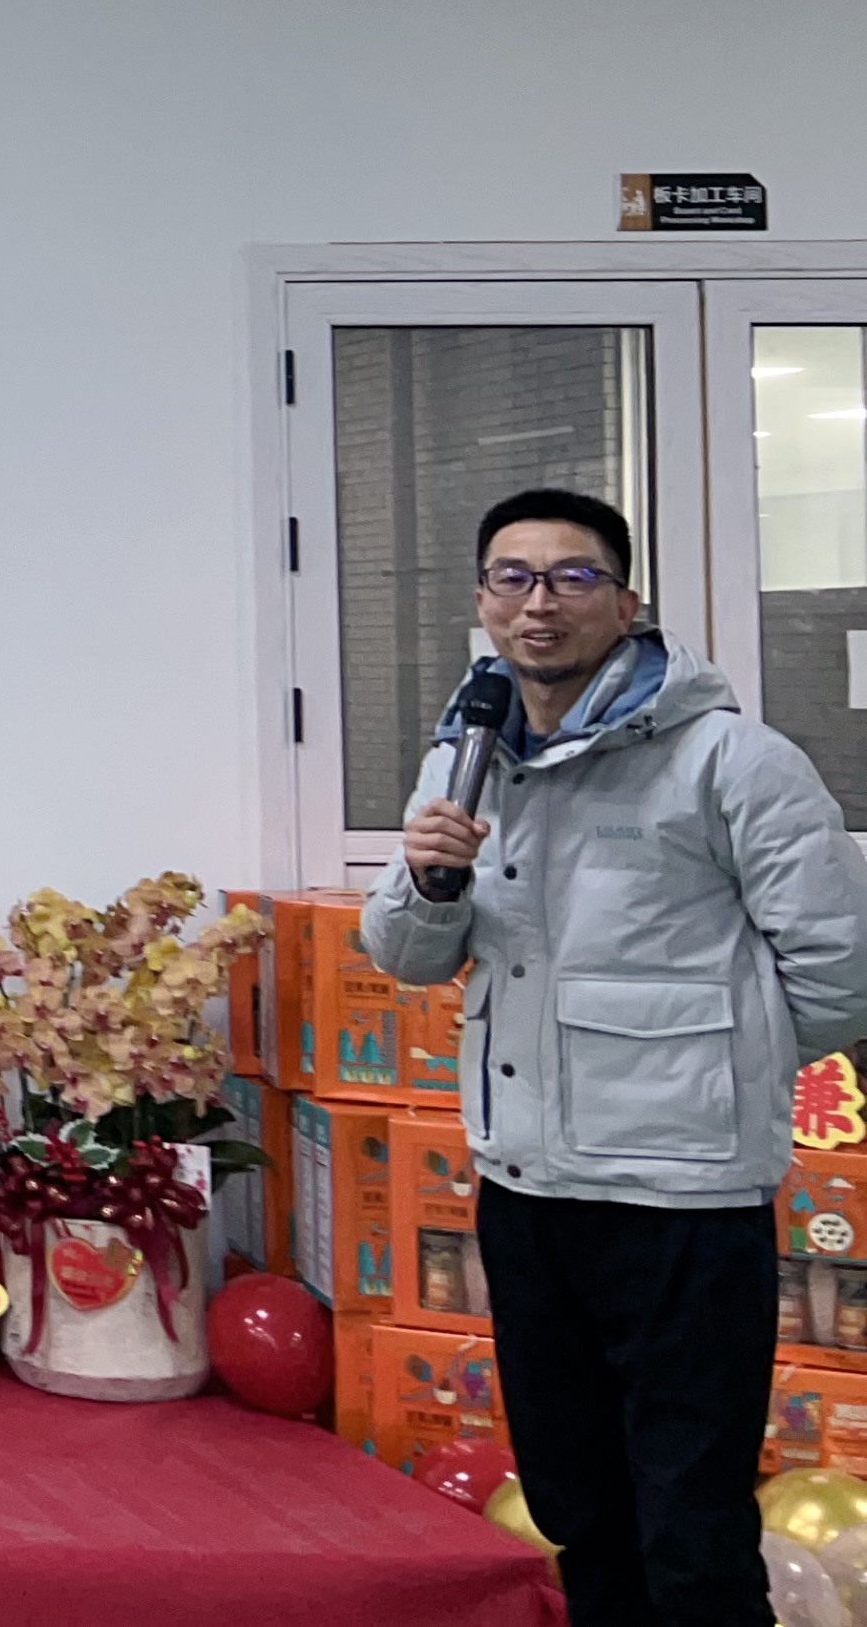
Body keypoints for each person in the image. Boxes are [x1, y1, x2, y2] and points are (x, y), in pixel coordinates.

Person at [366, 488, 867, 1627]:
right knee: (577, 1504)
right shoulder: (466, 761)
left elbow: (841, 969)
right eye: (513, 578)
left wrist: (709, 1076)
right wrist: (430, 878)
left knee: (690, 1523)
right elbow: (408, 957)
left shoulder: (730, 761)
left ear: (628, 602)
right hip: (529, 1186)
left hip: (682, 1197)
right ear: (484, 601)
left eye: (572, 577)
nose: (539, 604)